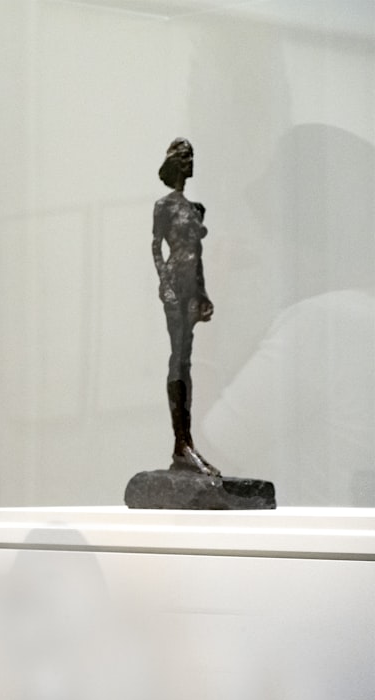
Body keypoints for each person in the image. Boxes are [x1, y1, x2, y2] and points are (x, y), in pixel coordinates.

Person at [152, 138, 219, 476]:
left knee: (187, 360)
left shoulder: (195, 209)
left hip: (192, 288)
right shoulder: (164, 206)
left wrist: (203, 293)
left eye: (193, 155)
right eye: (185, 156)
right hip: (176, 288)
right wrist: (165, 285)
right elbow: (156, 247)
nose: (191, 161)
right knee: (178, 358)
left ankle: (185, 444)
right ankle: (182, 443)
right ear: (174, 162)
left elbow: (198, 256)